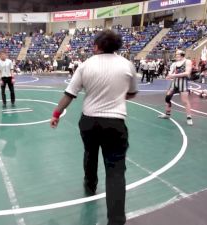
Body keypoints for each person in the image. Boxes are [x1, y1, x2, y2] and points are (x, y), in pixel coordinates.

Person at [50, 30, 138, 225]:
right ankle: (116, 220)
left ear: (97, 46)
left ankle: (90, 185)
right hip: (115, 123)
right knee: (115, 171)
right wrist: (115, 96)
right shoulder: (127, 65)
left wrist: (56, 114)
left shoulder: (85, 65)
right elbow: (131, 93)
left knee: (90, 153)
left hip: (89, 121)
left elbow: (69, 94)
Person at [158, 50, 193, 126]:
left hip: (183, 83)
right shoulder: (174, 63)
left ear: (182, 55)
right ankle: (167, 114)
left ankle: (189, 117)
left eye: (177, 54)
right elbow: (171, 72)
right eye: (176, 54)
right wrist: (169, 75)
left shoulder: (187, 61)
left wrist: (173, 75)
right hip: (174, 83)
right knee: (167, 98)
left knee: (185, 101)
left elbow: (187, 73)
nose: (176, 56)